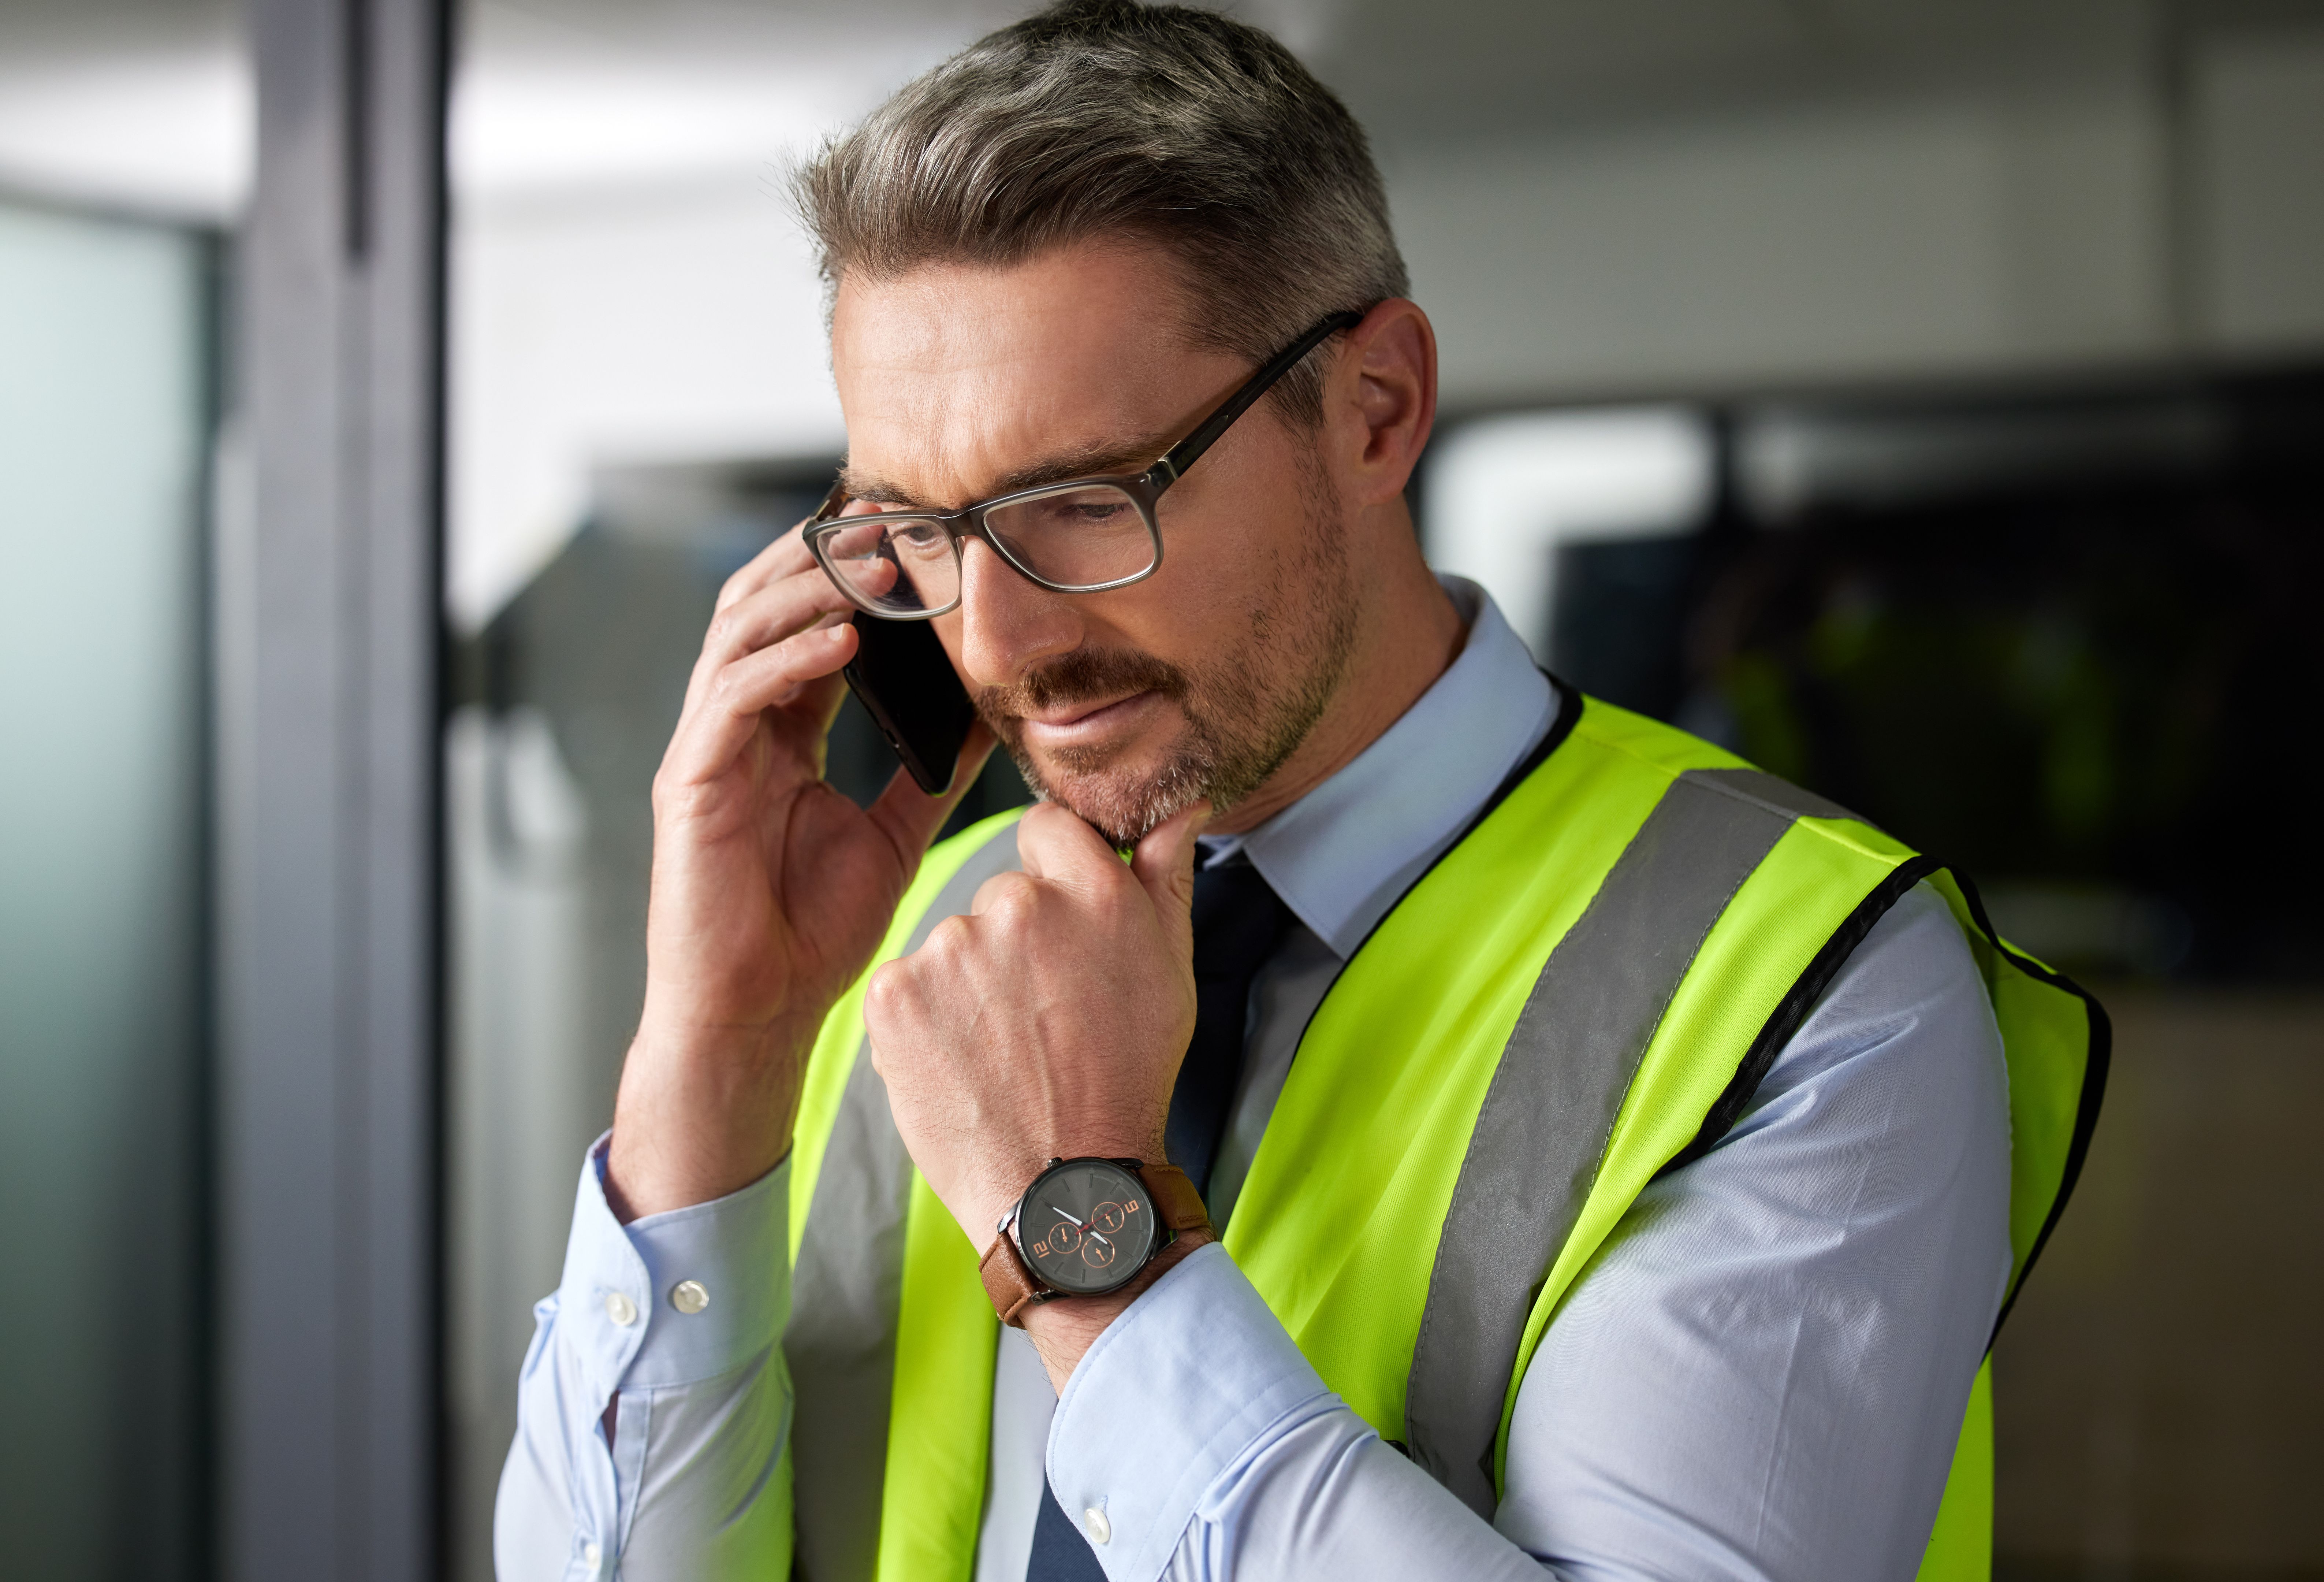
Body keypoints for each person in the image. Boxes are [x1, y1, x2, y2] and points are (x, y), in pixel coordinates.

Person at [495, 3, 2104, 1578]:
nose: (999, 642)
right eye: (918, 531)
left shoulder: (1815, 991)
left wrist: (1086, 1235)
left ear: (1378, 408)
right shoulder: (914, 939)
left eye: (1083, 500)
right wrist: (716, 1050)